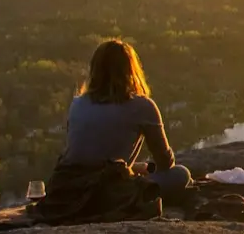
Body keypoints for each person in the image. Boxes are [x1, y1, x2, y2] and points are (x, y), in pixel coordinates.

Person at [57, 40, 192, 205]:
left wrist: (136, 168)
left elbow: (87, 158)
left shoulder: (77, 103)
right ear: (130, 70)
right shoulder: (142, 106)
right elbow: (165, 163)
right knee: (180, 174)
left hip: (69, 190)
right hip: (110, 193)